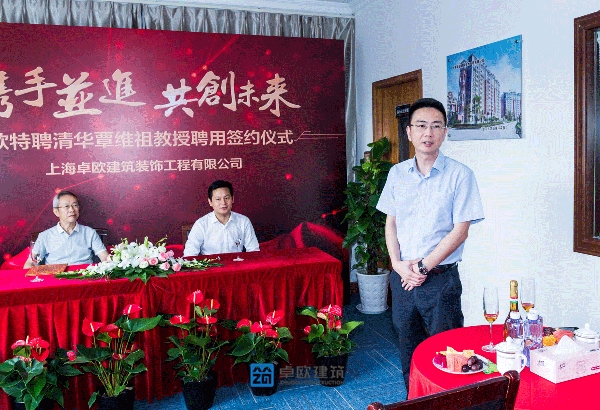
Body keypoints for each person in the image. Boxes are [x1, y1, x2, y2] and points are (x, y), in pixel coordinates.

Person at [376, 98, 484, 390]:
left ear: (445, 133)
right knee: (408, 350)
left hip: (440, 281)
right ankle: (413, 400)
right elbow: (391, 223)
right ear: (409, 132)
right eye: (421, 126)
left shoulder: (460, 175)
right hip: (403, 279)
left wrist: (422, 268)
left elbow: (460, 231)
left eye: (436, 126)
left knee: (447, 355)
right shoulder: (397, 173)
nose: (428, 133)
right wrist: (398, 265)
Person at [24, 190, 109, 267]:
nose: (72, 210)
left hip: (84, 276)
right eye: (66, 206)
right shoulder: (45, 236)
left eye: (75, 205)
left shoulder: (89, 233)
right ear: (56, 211)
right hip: (56, 277)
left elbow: (104, 257)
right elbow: (31, 262)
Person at [183, 180, 259, 256]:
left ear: (232, 199)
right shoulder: (201, 224)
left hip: (236, 262)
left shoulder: (243, 221)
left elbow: (253, 250)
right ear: (210, 202)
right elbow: (189, 254)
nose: (223, 203)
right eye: (218, 199)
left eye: (226, 198)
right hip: (211, 263)